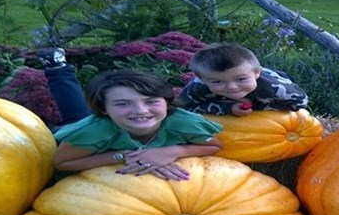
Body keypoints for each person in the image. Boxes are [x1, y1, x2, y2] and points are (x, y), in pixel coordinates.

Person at [42, 65, 223, 181]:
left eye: (151, 101)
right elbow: (63, 163)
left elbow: (214, 146)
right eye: (123, 103)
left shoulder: (184, 122)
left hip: (115, 122)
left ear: (167, 103)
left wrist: (174, 151)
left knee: (78, 111)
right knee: (75, 113)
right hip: (99, 127)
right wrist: (123, 156)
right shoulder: (92, 132)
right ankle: (58, 70)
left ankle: (58, 69)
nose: (140, 110)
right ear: (104, 108)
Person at [177, 43, 309, 116]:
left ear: (257, 73)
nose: (231, 87)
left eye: (241, 79)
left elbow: (300, 103)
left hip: (269, 81)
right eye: (217, 82)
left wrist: (256, 106)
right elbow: (184, 108)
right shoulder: (196, 88)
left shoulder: (278, 88)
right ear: (201, 79)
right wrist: (228, 107)